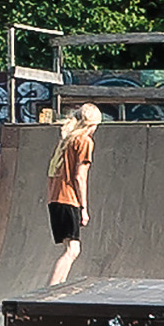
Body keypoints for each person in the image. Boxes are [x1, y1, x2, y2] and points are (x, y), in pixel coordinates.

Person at [45, 102, 102, 284]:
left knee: (70, 249)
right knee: (73, 250)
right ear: (92, 125)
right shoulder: (84, 141)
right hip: (69, 199)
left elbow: (51, 174)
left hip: (55, 198)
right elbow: (79, 176)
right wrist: (84, 208)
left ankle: (55, 289)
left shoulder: (67, 140)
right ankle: (49, 291)